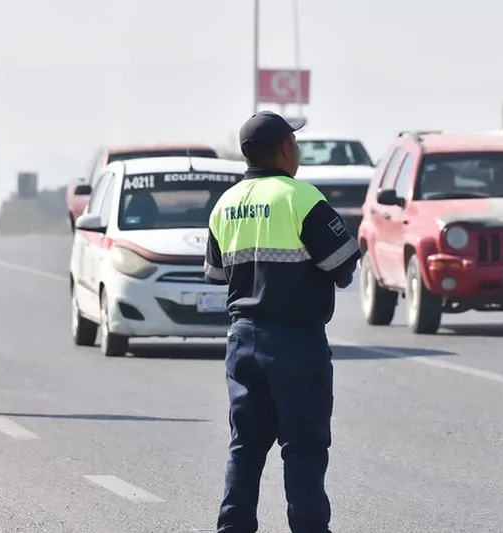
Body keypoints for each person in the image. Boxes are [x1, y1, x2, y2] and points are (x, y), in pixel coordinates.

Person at [204, 111, 361, 533]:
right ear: (286, 148)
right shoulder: (300, 197)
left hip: (242, 341)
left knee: (245, 447)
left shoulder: (225, 204)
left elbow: (218, 274)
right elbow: (344, 266)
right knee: (304, 448)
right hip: (295, 342)